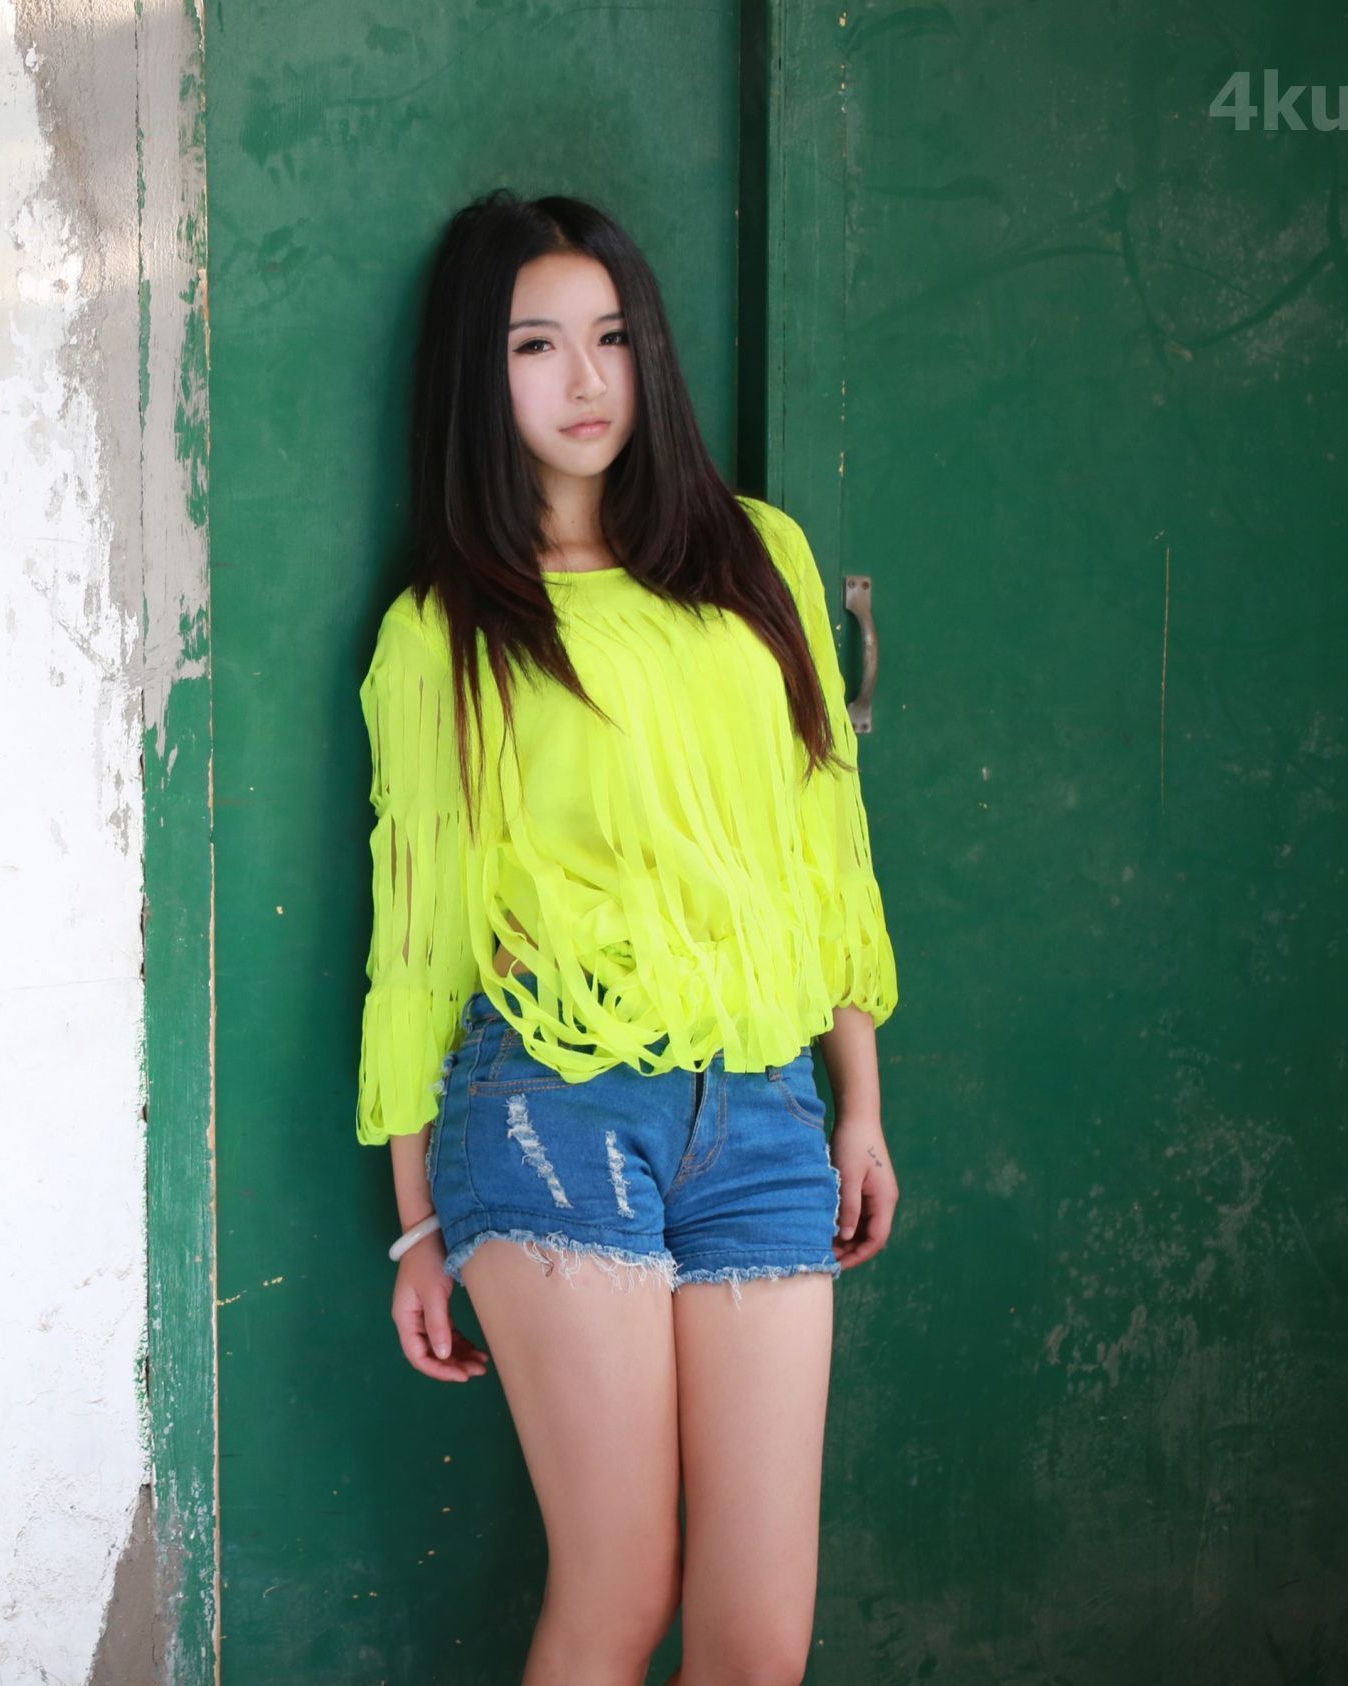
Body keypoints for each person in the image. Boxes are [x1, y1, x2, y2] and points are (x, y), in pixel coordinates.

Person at [356, 190, 904, 1686]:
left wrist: (856, 1101)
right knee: (622, 1588)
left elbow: (823, 844)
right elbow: (417, 944)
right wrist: (415, 1221)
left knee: (759, 1637)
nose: (586, 380)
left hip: (768, 1111)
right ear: (480, 375)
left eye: (610, 337)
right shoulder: (444, 631)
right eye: (535, 346)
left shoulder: (759, 559)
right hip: (551, 1106)